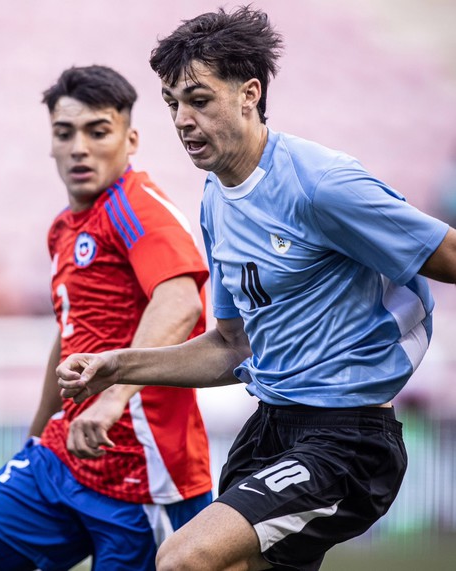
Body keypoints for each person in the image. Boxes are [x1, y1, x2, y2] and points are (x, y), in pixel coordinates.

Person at [57, 7, 456, 571]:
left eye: (199, 99)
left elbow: (449, 254)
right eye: (172, 103)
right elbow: (230, 346)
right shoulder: (218, 197)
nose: (182, 119)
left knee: (184, 559)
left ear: (249, 93)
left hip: (346, 437)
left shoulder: (321, 184)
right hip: (269, 427)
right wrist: (118, 366)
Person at [0, 65, 213, 571]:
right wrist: (38, 431)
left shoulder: (139, 208)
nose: (79, 147)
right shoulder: (64, 229)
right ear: (51, 143)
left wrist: (110, 402)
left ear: (130, 139)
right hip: (61, 456)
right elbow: (68, 338)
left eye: (97, 131)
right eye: (65, 133)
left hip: (142, 478)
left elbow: (182, 303)